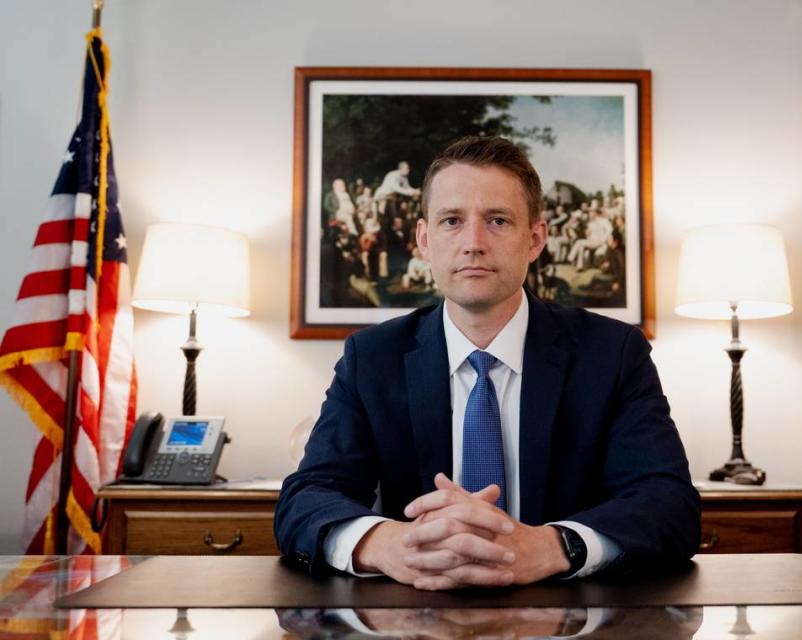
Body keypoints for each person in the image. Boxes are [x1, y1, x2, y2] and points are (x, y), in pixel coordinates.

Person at [275, 136, 699, 591]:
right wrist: (386, 544)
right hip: (414, 614)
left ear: (535, 239)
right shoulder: (372, 357)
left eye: (497, 221)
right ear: (424, 240)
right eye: (452, 221)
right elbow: (306, 498)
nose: (473, 243)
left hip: (572, 618)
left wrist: (552, 547)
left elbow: (669, 504)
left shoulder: (612, 354)